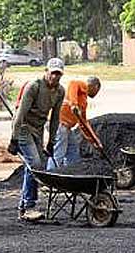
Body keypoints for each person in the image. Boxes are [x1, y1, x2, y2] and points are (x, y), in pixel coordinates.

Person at [10, 58, 65, 221]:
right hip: (24, 127)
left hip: (38, 130)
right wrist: (14, 139)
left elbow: (55, 118)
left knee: (36, 166)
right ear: (46, 71)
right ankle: (29, 206)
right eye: (52, 73)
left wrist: (52, 141)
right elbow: (20, 114)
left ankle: (24, 208)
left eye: (58, 74)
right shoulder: (34, 87)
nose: (55, 77)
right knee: (35, 164)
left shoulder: (60, 91)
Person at [48, 76, 102, 169]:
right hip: (59, 124)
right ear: (95, 86)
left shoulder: (84, 102)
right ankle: (51, 173)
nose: (96, 94)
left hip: (67, 127)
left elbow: (83, 123)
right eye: (97, 91)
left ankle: (71, 170)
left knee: (73, 150)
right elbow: (73, 83)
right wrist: (74, 105)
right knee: (59, 152)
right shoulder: (81, 85)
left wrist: (94, 141)